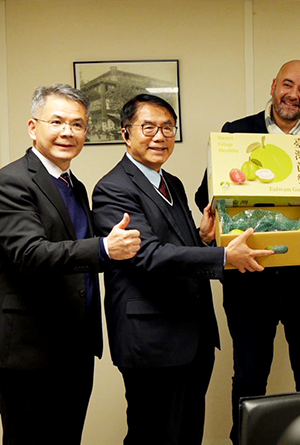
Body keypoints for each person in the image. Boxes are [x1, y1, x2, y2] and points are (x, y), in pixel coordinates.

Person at [91, 94, 272, 445]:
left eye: (168, 128)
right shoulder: (113, 188)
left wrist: (203, 239)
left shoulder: (170, 182)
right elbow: (148, 255)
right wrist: (222, 256)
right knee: (153, 436)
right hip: (152, 341)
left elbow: (178, 247)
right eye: (148, 128)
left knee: (187, 434)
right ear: (126, 133)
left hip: (192, 336)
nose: (159, 137)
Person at [194, 60, 300, 444]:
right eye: (288, 85)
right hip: (250, 277)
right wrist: (226, 204)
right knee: (249, 377)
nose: (293, 95)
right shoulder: (235, 133)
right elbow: (204, 196)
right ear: (274, 85)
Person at [0, 84, 142, 444]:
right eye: (56, 122)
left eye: (77, 124)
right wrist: (104, 248)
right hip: (28, 352)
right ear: (32, 127)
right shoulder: (9, 182)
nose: (67, 132)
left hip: (75, 349)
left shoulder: (74, 186)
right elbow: (31, 254)